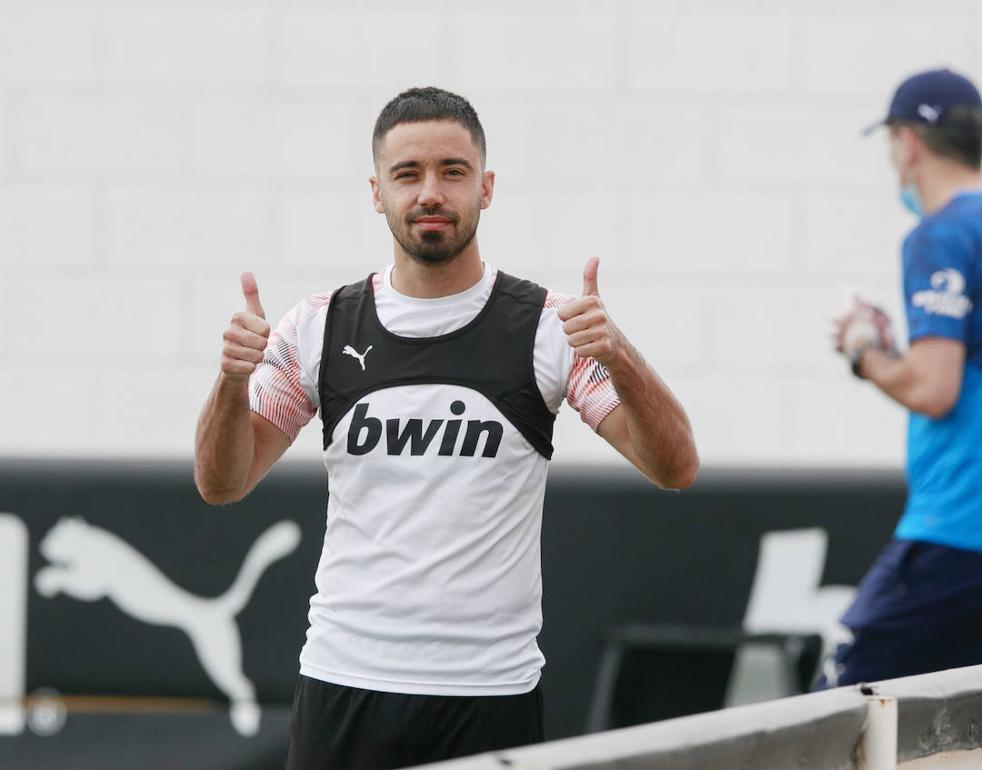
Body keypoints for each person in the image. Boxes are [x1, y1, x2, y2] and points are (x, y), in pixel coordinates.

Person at [193, 86, 699, 769]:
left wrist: (620, 355)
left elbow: (675, 467)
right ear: (377, 192)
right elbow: (222, 483)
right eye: (408, 174)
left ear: (485, 188)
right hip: (347, 681)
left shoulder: (550, 327)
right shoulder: (318, 325)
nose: (430, 191)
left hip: (488, 694)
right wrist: (230, 382)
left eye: (452, 172)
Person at [828, 68, 982, 686]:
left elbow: (932, 388)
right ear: (981, 145)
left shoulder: (938, 236)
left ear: (908, 144)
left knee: (839, 716)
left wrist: (863, 351)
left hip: (967, 528)